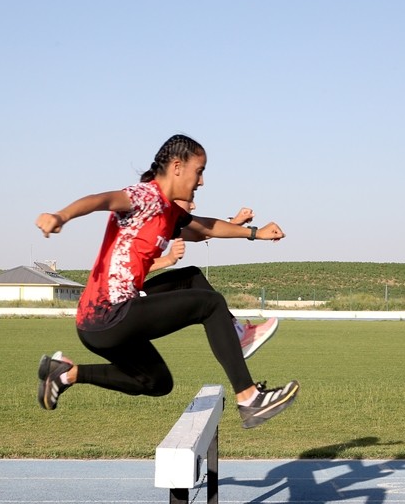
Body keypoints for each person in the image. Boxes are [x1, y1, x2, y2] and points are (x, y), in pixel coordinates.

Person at [33, 134, 298, 429]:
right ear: (177, 167)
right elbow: (102, 200)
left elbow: (203, 228)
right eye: (200, 171)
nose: (201, 182)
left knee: (157, 379)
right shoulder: (144, 196)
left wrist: (255, 233)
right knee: (210, 305)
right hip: (107, 314)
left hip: (104, 319)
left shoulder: (168, 211)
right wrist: (62, 215)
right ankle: (249, 399)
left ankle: (65, 374)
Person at [151, 201, 280, 360]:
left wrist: (234, 224)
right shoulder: (144, 216)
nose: (193, 205)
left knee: (155, 381)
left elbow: (200, 233)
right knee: (195, 280)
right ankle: (237, 335)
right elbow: (125, 268)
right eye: (190, 198)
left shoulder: (163, 224)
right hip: (122, 302)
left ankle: (238, 339)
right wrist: (168, 260)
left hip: (131, 296)